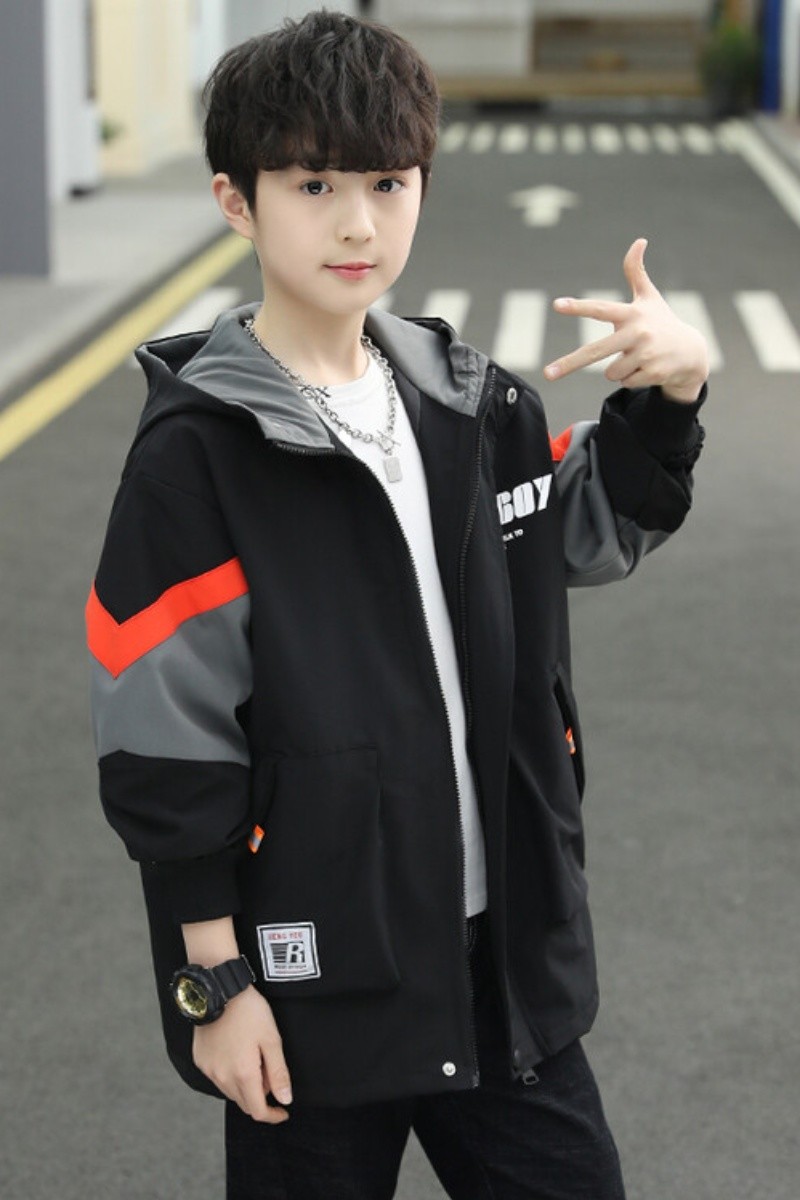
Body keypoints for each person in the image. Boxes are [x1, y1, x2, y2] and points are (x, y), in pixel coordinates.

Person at [86, 10, 708, 1199]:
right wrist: (214, 984)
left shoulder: (474, 405)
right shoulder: (197, 458)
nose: (357, 223)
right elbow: (166, 743)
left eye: (385, 181)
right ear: (236, 201)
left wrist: (670, 399)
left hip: (498, 965)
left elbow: (578, 534)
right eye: (313, 184)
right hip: (311, 986)